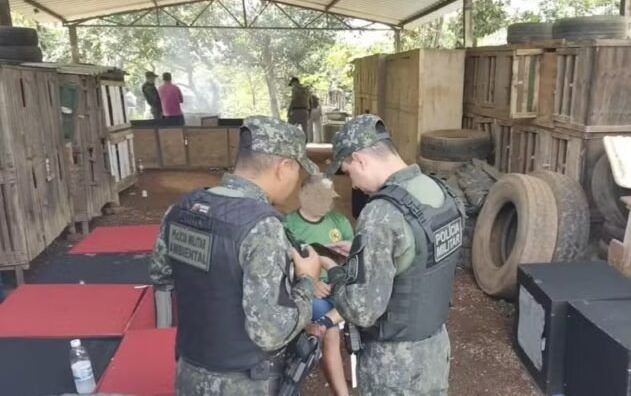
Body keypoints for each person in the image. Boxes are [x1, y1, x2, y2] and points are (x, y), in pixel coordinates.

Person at [150, 115, 322, 396]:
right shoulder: (261, 226)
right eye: (298, 171)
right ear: (284, 167)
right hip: (244, 383)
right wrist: (306, 282)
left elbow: (161, 275)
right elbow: (269, 331)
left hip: (189, 372)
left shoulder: (182, 209)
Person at [315, 114, 465, 395]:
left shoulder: (381, 213)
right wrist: (368, 252)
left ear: (360, 159)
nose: (355, 184)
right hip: (435, 348)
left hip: (394, 366)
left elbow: (362, 309)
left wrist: (334, 270)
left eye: (348, 173)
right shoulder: (442, 191)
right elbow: (421, 256)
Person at [284, 174, 353, 396]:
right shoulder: (289, 225)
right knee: (331, 332)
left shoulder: (339, 221)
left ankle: (324, 324)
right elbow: (283, 268)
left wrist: (350, 251)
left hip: (338, 284)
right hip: (310, 290)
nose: (327, 204)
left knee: (359, 302)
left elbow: (353, 261)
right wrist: (310, 282)